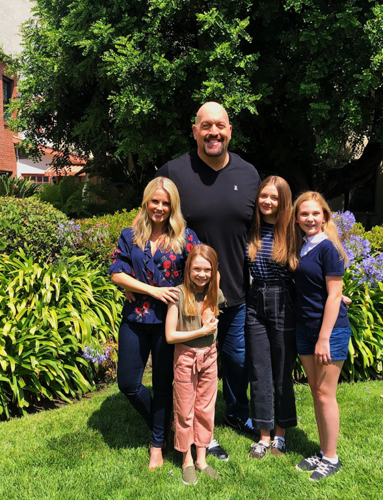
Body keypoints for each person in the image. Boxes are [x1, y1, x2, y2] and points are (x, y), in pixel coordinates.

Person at [155, 102, 261, 459]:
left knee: (236, 360)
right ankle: (200, 432)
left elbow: (263, 232)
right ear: (195, 130)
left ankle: (236, 413)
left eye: (219, 126)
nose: (213, 132)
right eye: (206, 126)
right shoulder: (174, 172)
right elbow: (152, 222)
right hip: (192, 297)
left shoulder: (249, 174)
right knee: (197, 368)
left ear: (229, 131)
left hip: (235, 292)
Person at [109, 177, 200, 470]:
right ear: (146, 202)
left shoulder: (185, 237)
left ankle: (157, 444)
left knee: (162, 385)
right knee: (128, 384)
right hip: (135, 318)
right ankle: (165, 424)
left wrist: (204, 305)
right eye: (155, 201)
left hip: (168, 322)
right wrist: (150, 290)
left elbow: (203, 269)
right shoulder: (130, 235)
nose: (159, 207)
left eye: (165, 203)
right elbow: (117, 272)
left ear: (173, 206)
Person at [291, 191, 350, 481]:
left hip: (329, 331)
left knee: (326, 394)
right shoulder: (303, 246)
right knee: (317, 392)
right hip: (305, 328)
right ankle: (324, 450)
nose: (310, 218)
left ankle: (331, 458)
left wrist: (324, 338)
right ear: (296, 218)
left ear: (325, 216)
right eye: (304, 214)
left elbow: (335, 294)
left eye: (316, 213)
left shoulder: (328, 248)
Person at [245, 176, 299, 459]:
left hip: (283, 298)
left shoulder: (292, 230)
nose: (267, 201)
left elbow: (312, 264)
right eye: (264, 196)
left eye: (274, 197)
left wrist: (333, 293)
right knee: (259, 368)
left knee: (282, 370)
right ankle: (263, 435)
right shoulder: (251, 228)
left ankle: (281, 433)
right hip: (255, 299)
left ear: (283, 201)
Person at [165, 245, 226, 485]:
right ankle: (186, 459)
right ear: (188, 269)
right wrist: (201, 331)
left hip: (210, 356)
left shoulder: (213, 294)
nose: (202, 274)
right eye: (197, 269)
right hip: (186, 358)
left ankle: (202, 459)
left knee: (205, 408)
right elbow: (170, 335)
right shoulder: (178, 295)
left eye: (207, 270)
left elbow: (212, 317)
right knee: (184, 410)